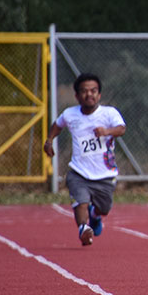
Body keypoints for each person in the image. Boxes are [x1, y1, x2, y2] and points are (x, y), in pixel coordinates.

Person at [44, 72, 126, 247]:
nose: (89, 94)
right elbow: (57, 126)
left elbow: (121, 129)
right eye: (84, 91)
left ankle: (95, 216)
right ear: (77, 96)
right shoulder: (70, 114)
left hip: (104, 174)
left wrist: (106, 131)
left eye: (93, 91)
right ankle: (83, 228)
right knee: (80, 203)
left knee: (104, 208)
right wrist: (49, 140)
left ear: (99, 94)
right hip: (79, 172)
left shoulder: (109, 113)